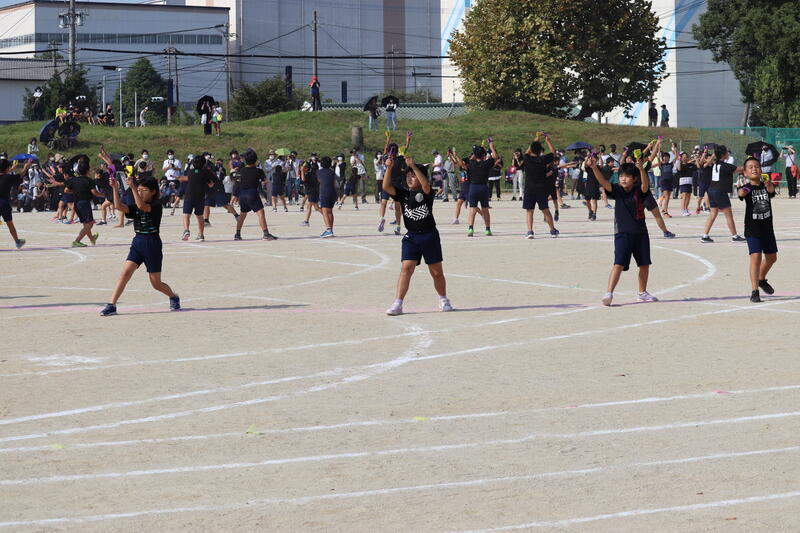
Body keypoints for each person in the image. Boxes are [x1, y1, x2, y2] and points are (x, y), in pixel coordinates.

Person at [382, 154, 453, 316]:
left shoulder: (427, 193)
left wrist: (414, 166)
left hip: (429, 236)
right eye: (408, 175)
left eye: (413, 176)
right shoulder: (403, 193)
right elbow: (386, 187)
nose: (409, 178)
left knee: (436, 272)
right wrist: (389, 168)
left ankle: (443, 299)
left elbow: (426, 185)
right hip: (412, 237)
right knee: (406, 268)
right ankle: (398, 303)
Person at [100, 175, 180, 317]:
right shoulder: (135, 206)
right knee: (125, 273)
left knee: (156, 283)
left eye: (144, 190)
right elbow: (118, 206)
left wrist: (132, 187)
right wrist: (115, 188)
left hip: (152, 244)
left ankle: (173, 296)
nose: (140, 192)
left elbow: (142, 206)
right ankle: (111, 305)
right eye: (139, 190)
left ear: (153, 192)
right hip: (138, 242)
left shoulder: (156, 205)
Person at [586, 154, 658, 307]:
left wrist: (641, 169)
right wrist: (594, 168)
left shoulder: (639, 190)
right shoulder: (617, 190)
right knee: (618, 264)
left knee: (644, 264)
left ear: (634, 179)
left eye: (627, 176)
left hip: (640, 232)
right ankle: (609, 293)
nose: (623, 179)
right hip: (623, 233)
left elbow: (645, 186)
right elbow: (604, 183)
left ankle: (642, 292)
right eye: (621, 176)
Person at [737, 157, 778, 303]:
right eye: (750, 167)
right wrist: (743, 189)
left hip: (767, 229)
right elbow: (741, 193)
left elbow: (771, 192)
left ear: (761, 170)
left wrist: (769, 185)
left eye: (757, 166)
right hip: (752, 229)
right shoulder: (747, 188)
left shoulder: (765, 185)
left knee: (772, 258)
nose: (754, 168)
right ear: (745, 172)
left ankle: (761, 279)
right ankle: (755, 291)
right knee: (756, 257)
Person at [700, 146, 746, 243]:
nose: (728, 153)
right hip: (719, 191)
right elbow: (741, 169)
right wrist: (751, 163)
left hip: (712, 190)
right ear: (723, 154)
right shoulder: (725, 166)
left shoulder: (715, 164)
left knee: (713, 213)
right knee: (728, 214)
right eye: (726, 152)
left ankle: (705, 235)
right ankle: (735, 236)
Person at [234, 149, 278, 241]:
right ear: (255, 160)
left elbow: (237, 179)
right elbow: (265, 181)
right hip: (252, 193)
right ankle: (266, 233)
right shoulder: (258, 171)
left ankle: (237, 234)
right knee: (260, 213)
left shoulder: (242, 170)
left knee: (242, 214)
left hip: (242, 194)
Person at [522, 134, 559, 238]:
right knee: (545, 210)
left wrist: (535, 141)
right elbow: (553, 153)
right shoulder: (543, 159)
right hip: (541, 188)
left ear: (531, 150)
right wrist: (548, 141)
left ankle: (530, 231)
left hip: (529, 189)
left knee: (529, 211)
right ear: (540, 151)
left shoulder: (527, 158)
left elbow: (527, 152)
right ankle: (552, 230)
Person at [64, 156, 103, 247]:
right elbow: (95, 193)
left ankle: (92, 238)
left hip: (76, 203)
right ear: (87, 171)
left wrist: (76, 191)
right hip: (84, 203)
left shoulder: (73, 180)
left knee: (86, 223)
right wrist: (104, 195)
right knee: (90, 223)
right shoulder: (89, 180)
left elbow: (66, 190)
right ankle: (77, 241)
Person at [179, 154, 214, 241]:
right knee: (199, 216)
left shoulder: (190, 172)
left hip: (189, 195)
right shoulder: (204, 172)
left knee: (186, 214)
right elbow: (210, 184)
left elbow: (187, 177)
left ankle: (186, 230)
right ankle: (201, 235)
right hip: (200, 196)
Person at [466, 139, 498, 236]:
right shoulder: (486, 163)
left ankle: (470, 229)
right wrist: (491, 146)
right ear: (484, 155)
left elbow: (472, 157)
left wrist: (478, 150)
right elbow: (495, 157)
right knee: (485, 209)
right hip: (483, 188)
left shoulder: (471, 163)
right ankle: (487, 229)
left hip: (473, 187)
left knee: (472, 209)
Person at [0, 158, 31, 249]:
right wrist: (25, 167)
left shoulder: (7, 175)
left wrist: (11, 169)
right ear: (7, 168)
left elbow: (3, 172)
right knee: (9, 223)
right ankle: (17, 241)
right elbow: (21, 174)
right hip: (4, 203)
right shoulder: (9, 178)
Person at [317, 156, 337, 238]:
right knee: (330, 212)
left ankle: (328, 230)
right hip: (332, 192)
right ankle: (330, 229)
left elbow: (319, 180)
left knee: (325, 211)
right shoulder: (332, 172)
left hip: (324, 192)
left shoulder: (319, 172)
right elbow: (334, 183)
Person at [299, 159, 321, 227]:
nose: (301, 168)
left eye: (303, 167)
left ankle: (306, 221)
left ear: (306, 168)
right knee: (316, 208)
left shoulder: (308, 174)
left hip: (312, 192)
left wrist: (302, 171)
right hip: (312, 192)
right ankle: (326, 215)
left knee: (310, 206)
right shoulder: (310, 173)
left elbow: (303, 180)